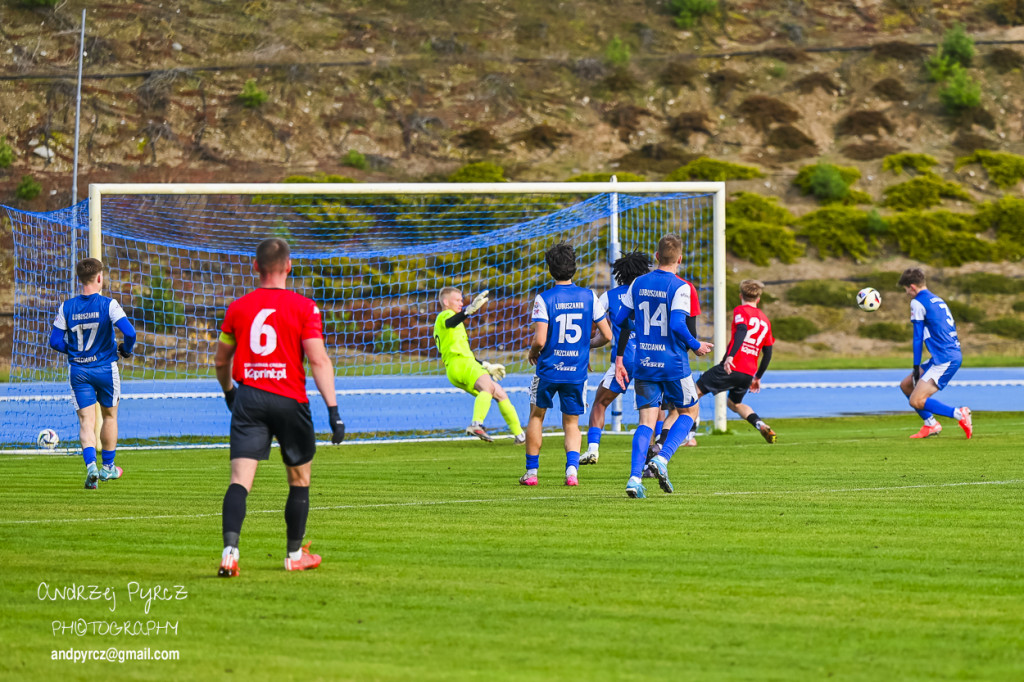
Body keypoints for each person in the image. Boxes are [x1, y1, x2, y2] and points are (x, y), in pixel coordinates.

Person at [213, 238, 346, 578]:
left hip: (250, 398)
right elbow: (318, 360)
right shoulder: (305, 307)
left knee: (240, 481)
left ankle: (229, 553)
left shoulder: (238, 308)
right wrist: (333, 410)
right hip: (289, 400)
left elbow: (220, 361)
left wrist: (231, 393)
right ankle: (293, 554)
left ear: (255, 267)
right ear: (289, 266)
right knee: (299, 479)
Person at [612, 234, 713, 498]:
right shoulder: (681, 287)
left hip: (644, 361)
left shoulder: (637, 283)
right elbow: (679, 324)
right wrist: (696, 344)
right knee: (689, 412)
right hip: (673, 363)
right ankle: (662, 458)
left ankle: (635, 478)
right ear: (679, 259)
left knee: (646, 421)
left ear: (657, 257)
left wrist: (643, 329)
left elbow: (621, 318)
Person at [523, 242, 613, 486]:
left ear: (550, 269)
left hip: (549, 370)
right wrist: (585, 346)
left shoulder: (544, 298)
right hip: (576, 371)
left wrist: (533, 352)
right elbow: (607, 336)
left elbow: (540, 339)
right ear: (574, 268)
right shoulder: (589, 296)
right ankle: (571, 472)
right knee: (571, 422)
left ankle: (532, 473)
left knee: (536, 416)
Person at [48, 258, 136, 490]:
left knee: (86, 421)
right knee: (109, 416)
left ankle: (91, 469)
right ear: (99, 278)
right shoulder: (109, 304)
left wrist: (75, 351)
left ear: (80, 279)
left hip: (79, 371)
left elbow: (55, 341)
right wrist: (125, 350)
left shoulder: (66, 307)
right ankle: (108, 467)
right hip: (106, 368)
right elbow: (130, 332)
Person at [581, 250, 653, 465]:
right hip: (653, 359)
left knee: (600, 403)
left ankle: (593, 449)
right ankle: (653, 456)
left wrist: (587, 347)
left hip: (624, 359)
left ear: (620, 273)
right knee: (652, 410)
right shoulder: (652, 293)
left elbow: (602, 331)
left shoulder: (610, 296)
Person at [686, 279, 777, 444]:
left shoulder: (741, 310)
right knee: (734, 404)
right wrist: (758, 377)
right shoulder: (765, 320)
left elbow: (742, 330)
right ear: (758, 299)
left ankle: (690, 436)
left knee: (692, 393)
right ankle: (760, 424)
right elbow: (768, 352)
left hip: (732, 366)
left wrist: (730, 357)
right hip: (748, 372)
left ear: (740, 295)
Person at [434, 286, 524, 443]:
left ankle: (520, 435)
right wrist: (468, 310)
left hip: (458, 367)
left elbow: (463, 351)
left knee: (499, 393)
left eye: (462, 300)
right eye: (457, 300)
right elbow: (450, 322)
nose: (461, 302)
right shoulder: (445, 315)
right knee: (488, 388)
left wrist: (486, 365)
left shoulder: (452, 324)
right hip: (461, 364)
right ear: (446, 302)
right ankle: (476, 424)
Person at [897, 267, 972, 439]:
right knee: (906, 385)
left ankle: (960, 414)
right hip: (943, 355)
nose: (907, 293)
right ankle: (931, 424)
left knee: (916, 400)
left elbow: (917, 338)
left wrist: (916, 367)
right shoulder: (937, 299)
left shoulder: (917, 302)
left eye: (906, 289)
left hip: (944, 359)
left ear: (913, 287)